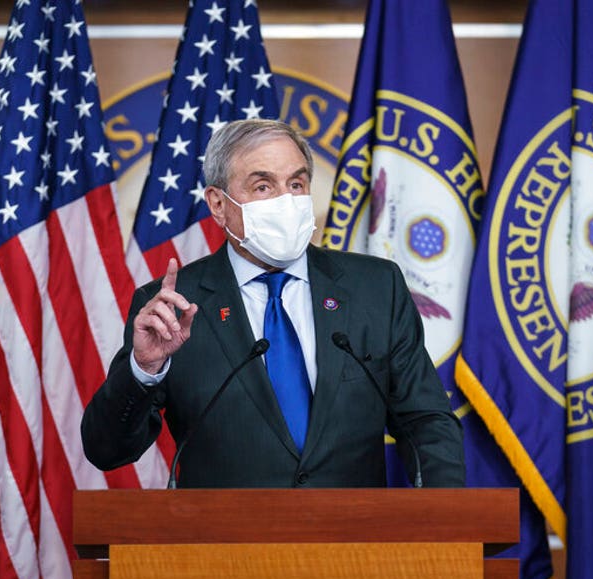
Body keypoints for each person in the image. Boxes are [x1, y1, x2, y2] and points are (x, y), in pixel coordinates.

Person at [82, 119, 464, 487]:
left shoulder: (376, 288)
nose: (287, 200)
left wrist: (444, 526)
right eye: (263, 186)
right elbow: (107, 450)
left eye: (296, 183)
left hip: (354, 543)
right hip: (224, 546)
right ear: (218, 203)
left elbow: (426, 422)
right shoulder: (172, 305)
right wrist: (144, 368)